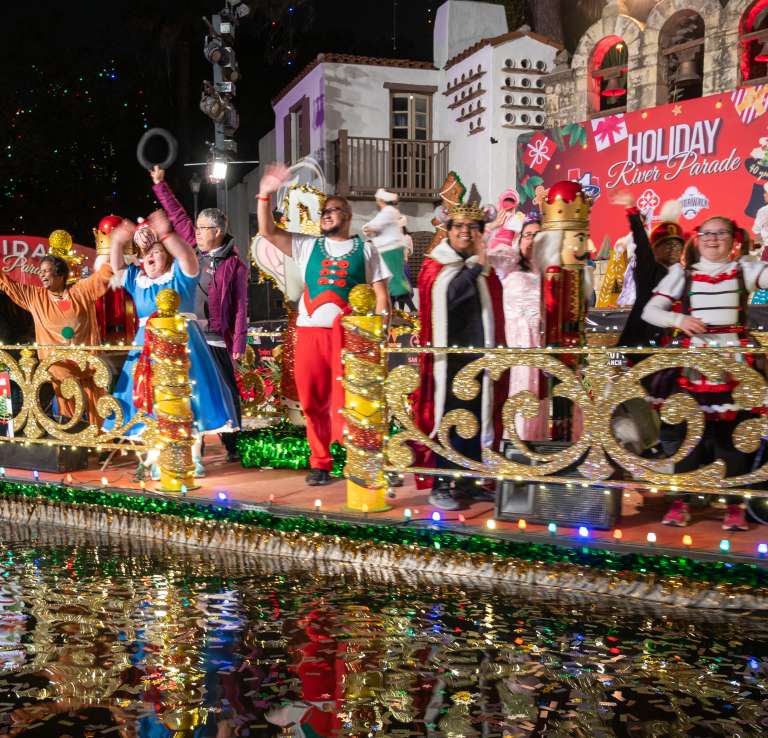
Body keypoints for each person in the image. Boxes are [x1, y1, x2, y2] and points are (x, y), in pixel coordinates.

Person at [256, 163, 391, 486]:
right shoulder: (306, 245)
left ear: (347, 216)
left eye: (334, 210)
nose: (327, 214)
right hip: (310, 333)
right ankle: (321, 463)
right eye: (325, 210)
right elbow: (267, 232)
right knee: (312, 399)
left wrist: (379, 331)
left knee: (353, 398)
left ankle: (361, 458)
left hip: (350, 337)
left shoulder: (367, 250)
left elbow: (381, 295)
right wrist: (264, 194)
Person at [642, 216, 768, 531]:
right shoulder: (681, 275)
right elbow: (650, 311)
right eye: (706, 234)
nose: (712, 239)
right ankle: (680, 501)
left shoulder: (745, 270)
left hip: (734, 365)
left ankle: (735, 505)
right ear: (697, 239)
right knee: (689, 435)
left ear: (733, 238)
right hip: (693, 365)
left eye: (720, 233)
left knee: (735, 435)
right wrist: (679, 321)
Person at [106, 211, 238, 478]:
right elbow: (118, 268)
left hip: (184, 347)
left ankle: (191, 456)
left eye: (157, 251)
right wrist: (118, 242)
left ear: (167, 254)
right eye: (146, 254)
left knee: (191, 399)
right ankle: (156, 456)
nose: (150, 257)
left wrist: (166, 233)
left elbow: (188, 256)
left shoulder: (180, 276)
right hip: (147, 350)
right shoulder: (137, 280)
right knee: (149, 400)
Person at [150, 166, 248, 463]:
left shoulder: (235, 265)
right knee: (192, 390)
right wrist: (160, 184)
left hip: (218, 339)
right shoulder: (193, 253)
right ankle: (196, 443)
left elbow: (242, 306)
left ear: (217, 231)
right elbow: (178, 218)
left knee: (225, 390)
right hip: (192, 335)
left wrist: (239, 344)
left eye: (202, 228)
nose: (196, 232)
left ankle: (233, 442)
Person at [413, 202, 506, 510]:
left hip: (480, 358)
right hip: (447, 363)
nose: (465, 232)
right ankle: (441, 482)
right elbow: (450, 297)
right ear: (448, 231)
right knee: (448, 421)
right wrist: (476, 266)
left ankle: (469, 480)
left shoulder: (486, 270)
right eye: (459, 227)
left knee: (477, 421)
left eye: (472, 228)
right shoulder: (436, 265)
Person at [0, 253, 113, 425]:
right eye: (41, 271)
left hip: (89, 362)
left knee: (99, 410)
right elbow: (7, 284)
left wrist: (116, 252)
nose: (42, 275)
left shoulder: (81, 291)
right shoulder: (35, 296)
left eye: (47, 271)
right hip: (58, 364)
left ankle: (102, 442)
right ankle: (69, 429)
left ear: (60, 274)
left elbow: (104, 276)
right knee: (64, 383)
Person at [487, 211, 548, 441]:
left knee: (535, 389)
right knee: (514, 385)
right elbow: (484, 255)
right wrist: (492, 227)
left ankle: (532, 439)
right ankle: (512, 439)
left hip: (537, 338)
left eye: (537, 235)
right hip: (513, 337)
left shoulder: (544, 268)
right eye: (527, 235)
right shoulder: (510, 262)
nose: (531, 239)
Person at [362, 188, 412, 308]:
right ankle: (391, 308)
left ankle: (396, 307)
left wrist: (367, 229)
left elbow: (372, 227)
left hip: (390, 250)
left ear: (381, 200)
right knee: (388, 283)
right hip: (387, 250)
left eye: (378, 199)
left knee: (391, 282)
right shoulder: (389, 211)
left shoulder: (388, 211)